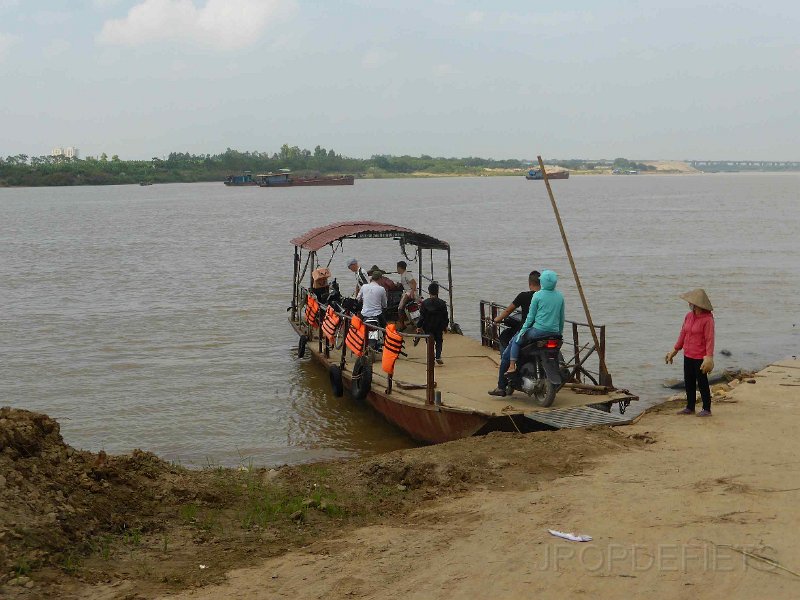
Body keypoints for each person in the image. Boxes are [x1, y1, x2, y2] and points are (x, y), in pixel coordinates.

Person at [503, 270, 564, 377]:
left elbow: (530, 317)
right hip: (554, 332)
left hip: (538, 331)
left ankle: (512, 366)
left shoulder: (537, 295)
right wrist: (559, 332)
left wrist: (522, 331)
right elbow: (561, 318)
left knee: (516, 341)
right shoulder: (560, 296)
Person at [488, 271, 541, 396]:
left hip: (527, 331)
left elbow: (508, 311)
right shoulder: (545, 296)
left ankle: (501, 386)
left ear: (529, 283)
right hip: (543, 330)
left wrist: (497, 319)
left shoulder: (523, 296)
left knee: (506, 355)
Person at [665, 289, 715, 417]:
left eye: (692, 303)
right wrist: (675, 350)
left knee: (702, 382)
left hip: (700, 357)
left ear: (698, 304)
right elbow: (683, 333)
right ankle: (690, 407)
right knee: (689, 381)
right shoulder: (688, 316)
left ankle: (706, 409)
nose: (690, 304)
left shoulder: (707, 319)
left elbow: (710, 339)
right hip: (688, 354)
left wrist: (709, 357)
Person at [416, 282, 448, 365]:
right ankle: (438, 356)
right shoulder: (442, 303)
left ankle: (431, 357)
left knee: (429, 341)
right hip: (438, 326)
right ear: (437, 292)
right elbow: (445, 316)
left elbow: (422, 316)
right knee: (439, 341)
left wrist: (419, 326)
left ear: (429, 292)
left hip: (427, 326)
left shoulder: (424, 303)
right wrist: (445, 326)